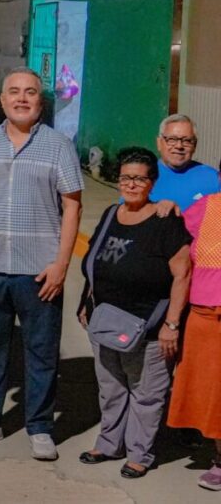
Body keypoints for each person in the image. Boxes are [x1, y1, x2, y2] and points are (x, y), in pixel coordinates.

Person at [0, 67, 83, 461]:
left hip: (40, 271)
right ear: (2, 100)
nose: (22, 99)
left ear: (40, 102)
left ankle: (40, 427)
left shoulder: (59, 146)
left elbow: (72, 205)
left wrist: (61, 264)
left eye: (30, 92)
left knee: (41, 353)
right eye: (14, 92)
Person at [77, 147, 190, 479]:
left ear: (152, 183)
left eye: (139, 179)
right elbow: (94, 262)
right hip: (105, 322)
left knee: (146, 394)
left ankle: (140, 453)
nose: (131, 184)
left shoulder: (166, 222)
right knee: (111, 387)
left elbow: (183, 275)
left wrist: (171, 324)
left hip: (148, 328)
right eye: (125, 178)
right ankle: (109, 443)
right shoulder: (111, 214)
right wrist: (86, 302)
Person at [169, 182, 221, 490]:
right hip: (206, 316)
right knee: (212, 392)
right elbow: (171, 234)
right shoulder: (205, 208)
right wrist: (163, 206)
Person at [151, 114, 220, 212]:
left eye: (187, 141)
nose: (179, 146)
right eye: (172, 139)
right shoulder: (144, 177)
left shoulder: (213, 178)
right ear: (159, 143)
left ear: (195, 145)